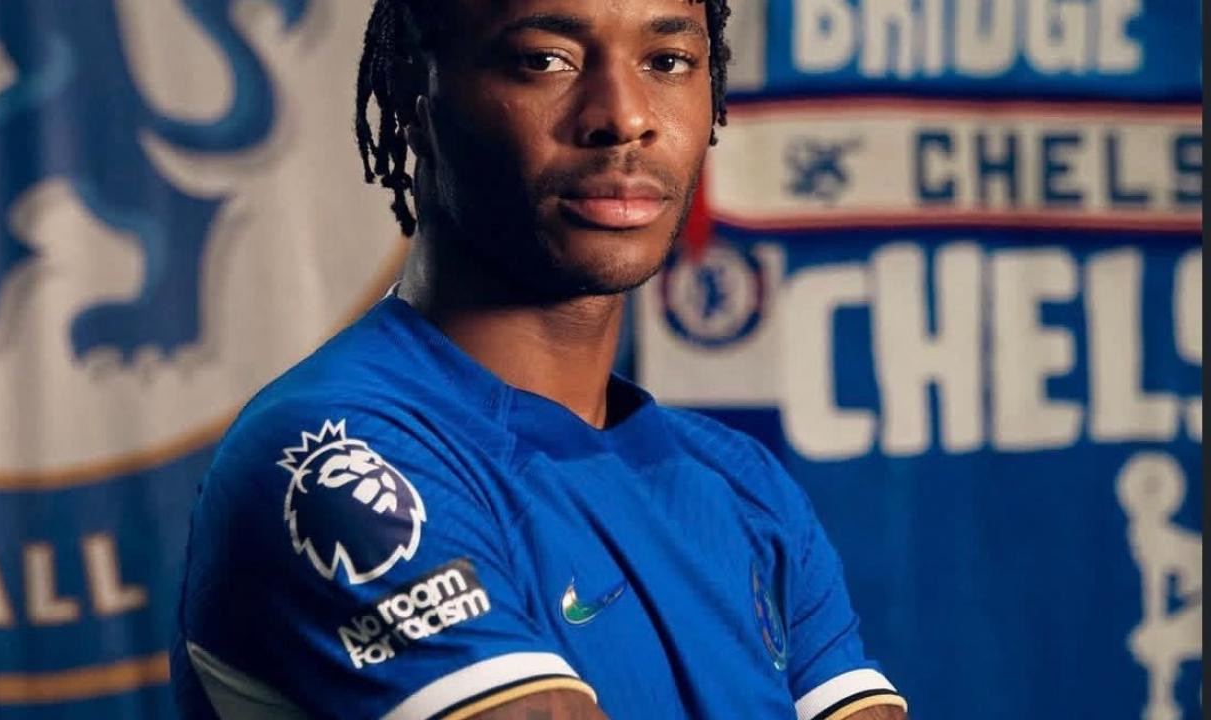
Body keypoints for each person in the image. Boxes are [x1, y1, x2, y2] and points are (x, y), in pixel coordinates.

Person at [171, 1, 908, 718]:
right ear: (416, 100)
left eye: (667, 61)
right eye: (544, 60)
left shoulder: (744, 486)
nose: (624, 117)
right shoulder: (336, 455)